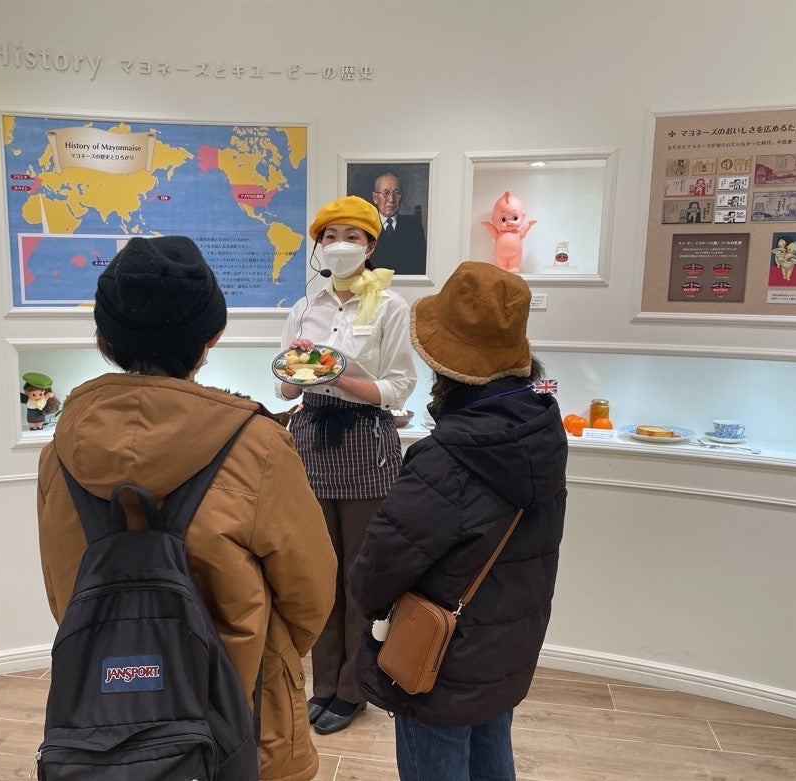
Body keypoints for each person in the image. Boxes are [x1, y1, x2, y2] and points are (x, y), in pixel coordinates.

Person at [37, 235, 335, 781]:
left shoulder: (61, 449)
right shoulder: (257, 445)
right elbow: (310, 592)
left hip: (102, 719)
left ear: (106, 339)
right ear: (211, 336)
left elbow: (65, 587)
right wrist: (264, 649)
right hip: (242, 711)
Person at [350, 261, 567, 781]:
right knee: (492, 744)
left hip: (442, 653)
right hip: (509, 638)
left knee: (437, 753)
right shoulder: (541, 429)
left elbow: (381, 565)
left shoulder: (447, 455)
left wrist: (366, 599)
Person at [277, 195, 416, 734]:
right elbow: (285, 387)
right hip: (312, 437)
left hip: (366, 440)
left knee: (361, 573)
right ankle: (325, 685)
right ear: (318, 246)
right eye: (330, 237)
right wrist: (300, 367)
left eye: (352, 237)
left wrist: (339, 375)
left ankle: (353, 690)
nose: (340, 246)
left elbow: (399, 387)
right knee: (319, 571)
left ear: (370, 246)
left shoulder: (391, 306)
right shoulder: (304, 307)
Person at [367, 172, 427, 275]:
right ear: (375, 198)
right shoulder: (366, 227)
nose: (391, 200)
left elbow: (421, 265)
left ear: (401, 197)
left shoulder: (414, 226)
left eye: (397, 193)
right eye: (386, 193)